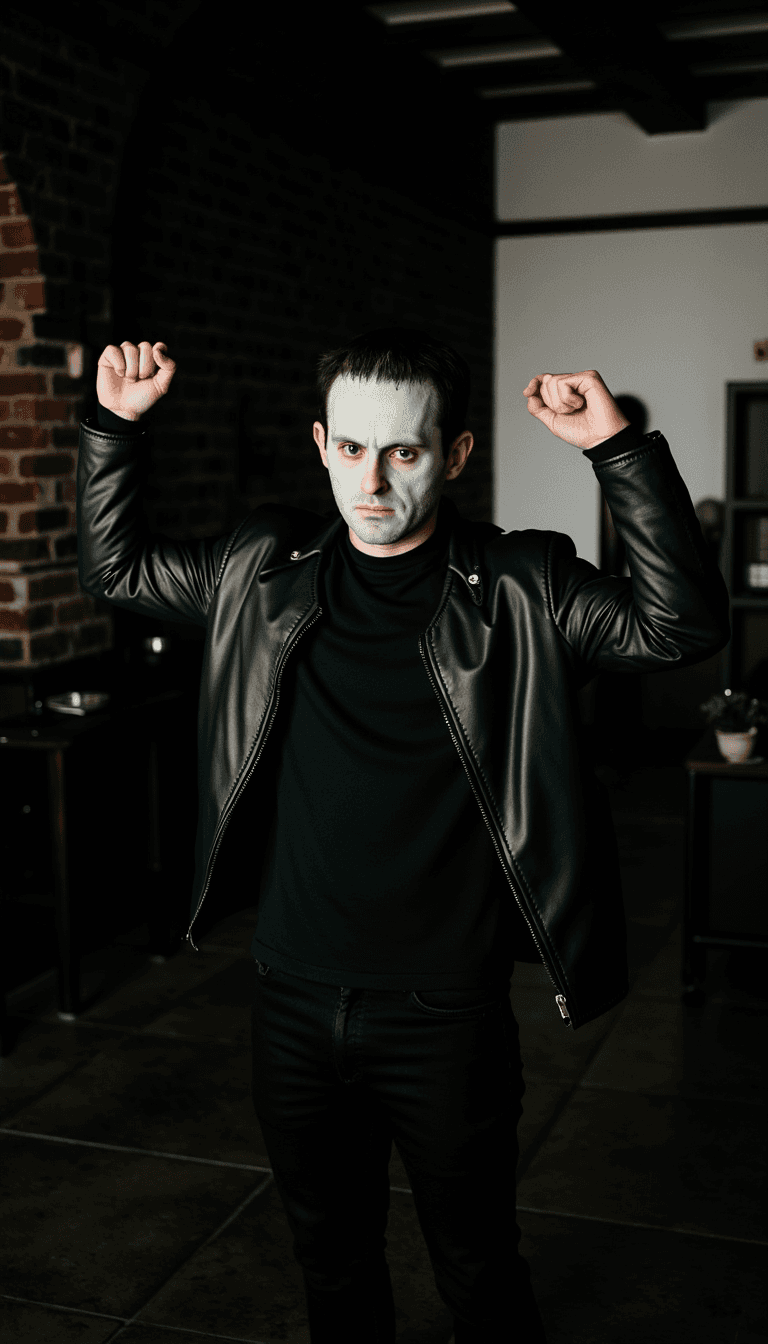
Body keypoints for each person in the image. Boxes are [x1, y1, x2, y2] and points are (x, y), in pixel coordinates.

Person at [77, 328, 730, 1343]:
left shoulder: (523, 586)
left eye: (405, 452)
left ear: (457, 454)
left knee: (475, 1267)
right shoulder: (259, 566)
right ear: (320, 443)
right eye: (349, 449)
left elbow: (678, 627)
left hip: (444, 1011)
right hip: (291, 996)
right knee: (330, 1263)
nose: (371, 482)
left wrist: (619, 449)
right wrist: (114, 426)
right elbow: (116, 570)